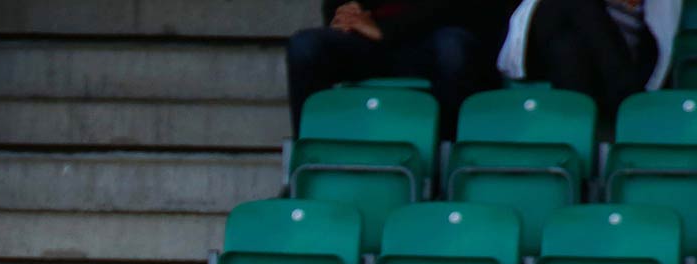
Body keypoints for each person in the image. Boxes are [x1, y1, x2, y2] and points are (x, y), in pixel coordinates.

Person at [285, 2, 513, 138]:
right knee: (305, 47)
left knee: (453, 49)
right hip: (371, 40)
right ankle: (310, 163)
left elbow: (467, 9)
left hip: (436, 39)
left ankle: (446, 163)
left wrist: (386, 30)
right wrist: (347, 11)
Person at [499, 0, 676, 123]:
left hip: (589, 64)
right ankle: (623, 94)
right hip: (545, 37)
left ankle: (578, 134)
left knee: (565, 49)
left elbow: (662, 39)